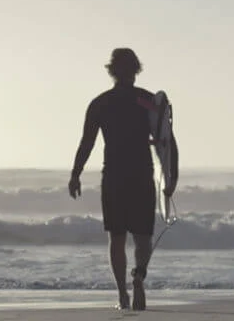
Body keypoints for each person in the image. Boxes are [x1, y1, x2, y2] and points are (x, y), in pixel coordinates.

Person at [68, 48, 179, 311]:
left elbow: (87, 142)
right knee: (143, 237)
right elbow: (167, 141)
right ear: (136, 70)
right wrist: (171, 177)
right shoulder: (148, 101)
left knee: (116, 238)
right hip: (142, 174)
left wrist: (75, 174)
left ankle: (121, 295)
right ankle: (138, 276)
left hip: (114, 176)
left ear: (112, 70)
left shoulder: (100, 103)